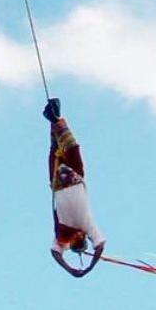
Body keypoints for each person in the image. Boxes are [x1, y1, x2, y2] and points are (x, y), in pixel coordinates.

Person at [45, 98, 106, 278]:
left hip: (58, 181)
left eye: (74, 243)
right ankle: (55, 117)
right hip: (74, 177)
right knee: (71, 146)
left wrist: (70, 269)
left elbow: (55, 252)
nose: (76, 239)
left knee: (56, 147)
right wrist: (90, 266)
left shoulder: (62, 236)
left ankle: (54, 118)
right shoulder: (87, 226)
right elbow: (100, 245)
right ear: (84, 238)